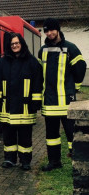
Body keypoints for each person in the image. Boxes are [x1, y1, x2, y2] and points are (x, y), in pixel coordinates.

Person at [38, 18, 87, 171]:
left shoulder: (70, 48)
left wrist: (74, 87)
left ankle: (77, 162)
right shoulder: (43, 50)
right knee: (52, 136)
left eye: (51, 30)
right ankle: (54, 162)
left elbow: (80, 68)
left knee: (72, 135)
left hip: (66, 100)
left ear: (58, 30)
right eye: (46, 31)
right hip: (50, 101)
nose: (49, 33)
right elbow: (39, 75)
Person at [0, 33, 43, 170]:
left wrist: (36, 101)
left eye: (17, 43)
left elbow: (38, 83)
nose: (14, 45)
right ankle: (9, 159)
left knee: (25, 136)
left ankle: (25, 161)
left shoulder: (32, 62)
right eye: (12, 44)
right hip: (7, 106)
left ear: (22, 44)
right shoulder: (2, 62)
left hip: (25, 107)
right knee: (8, 136)